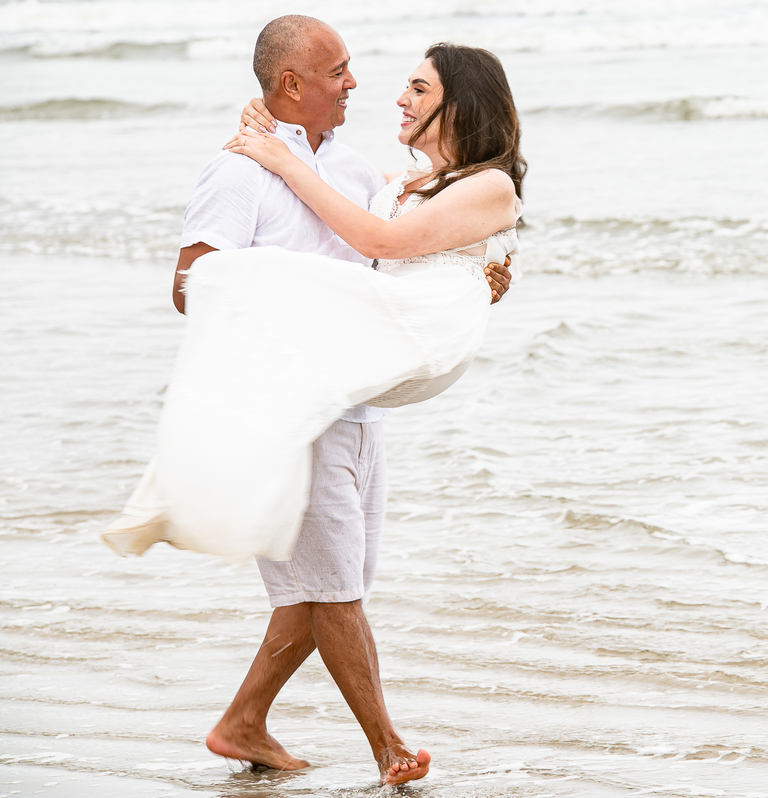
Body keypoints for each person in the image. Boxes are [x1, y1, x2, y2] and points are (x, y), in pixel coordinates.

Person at [103, 15, 523, 788]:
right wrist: (283, 302)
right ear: (292, 83)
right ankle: (388, 747)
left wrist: (475, 272)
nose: (356, 85)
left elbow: (393, 251)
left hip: (353, 398)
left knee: (330, 585)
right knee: (333, 589)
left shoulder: (363, 171)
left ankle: (242, 724)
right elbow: (192, 286)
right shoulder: (239, 170)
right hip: (291, 399)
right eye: (338, 72)